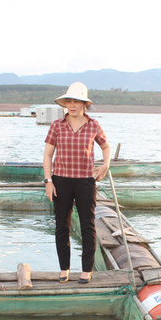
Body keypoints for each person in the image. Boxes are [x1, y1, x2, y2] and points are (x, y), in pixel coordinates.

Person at [42, 82, 111, 284]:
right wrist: (48, 181)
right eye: (69, 101)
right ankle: (64, 269)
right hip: (61, 181)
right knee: (61, 226)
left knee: (88, 225)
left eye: (76, 102)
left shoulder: (94, 125)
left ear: (84, 105)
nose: (72, 105)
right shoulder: (57, 125)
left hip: (85, 182)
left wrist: (105, 165)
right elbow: (47, 155)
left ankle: (86, 270)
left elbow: (106, 147)